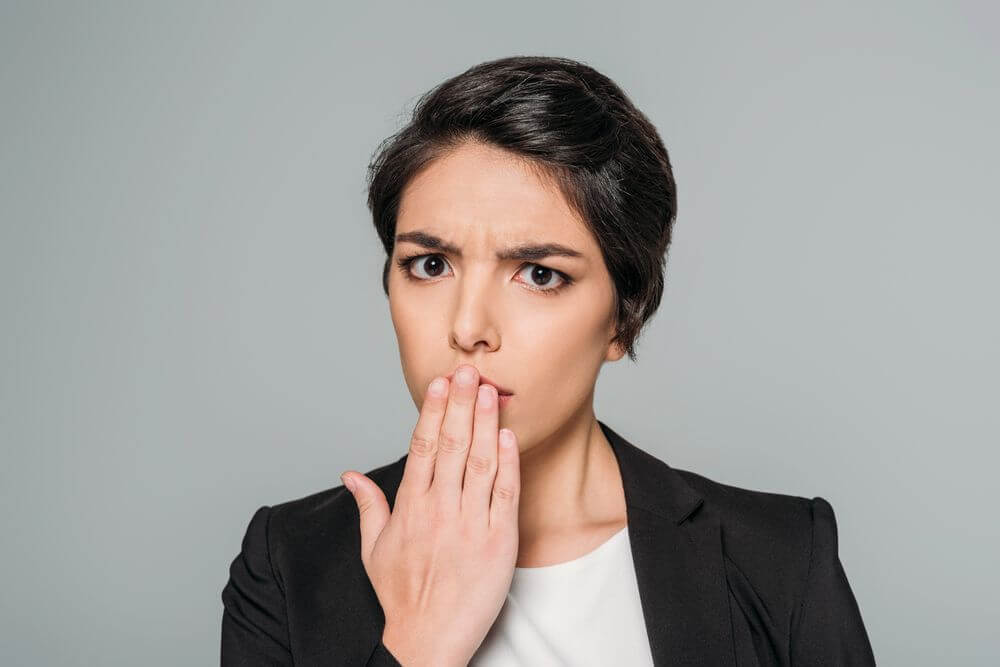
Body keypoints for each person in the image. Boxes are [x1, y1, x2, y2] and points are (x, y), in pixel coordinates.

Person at [221, 55, 876, 666]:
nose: (469, 327)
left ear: (625, 317)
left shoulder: (782, 557)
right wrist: (417, 643)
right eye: (430, 265)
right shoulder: (287, 562)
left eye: (538, 273)